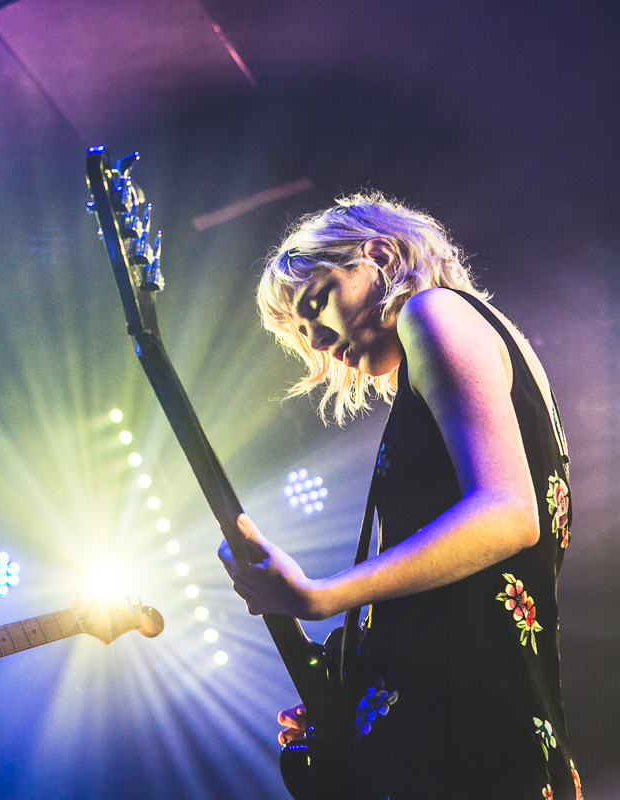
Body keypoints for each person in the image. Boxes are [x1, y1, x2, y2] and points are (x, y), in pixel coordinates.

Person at [218, 193, 580, 798]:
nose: (322, 341)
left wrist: (320, 595)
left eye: (318, 302)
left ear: (380, 255)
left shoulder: (434, 312)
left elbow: (510, 514)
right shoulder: (483, 337)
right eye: (306, 335)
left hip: (466, 735)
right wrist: (356, 696)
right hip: (478, 715)